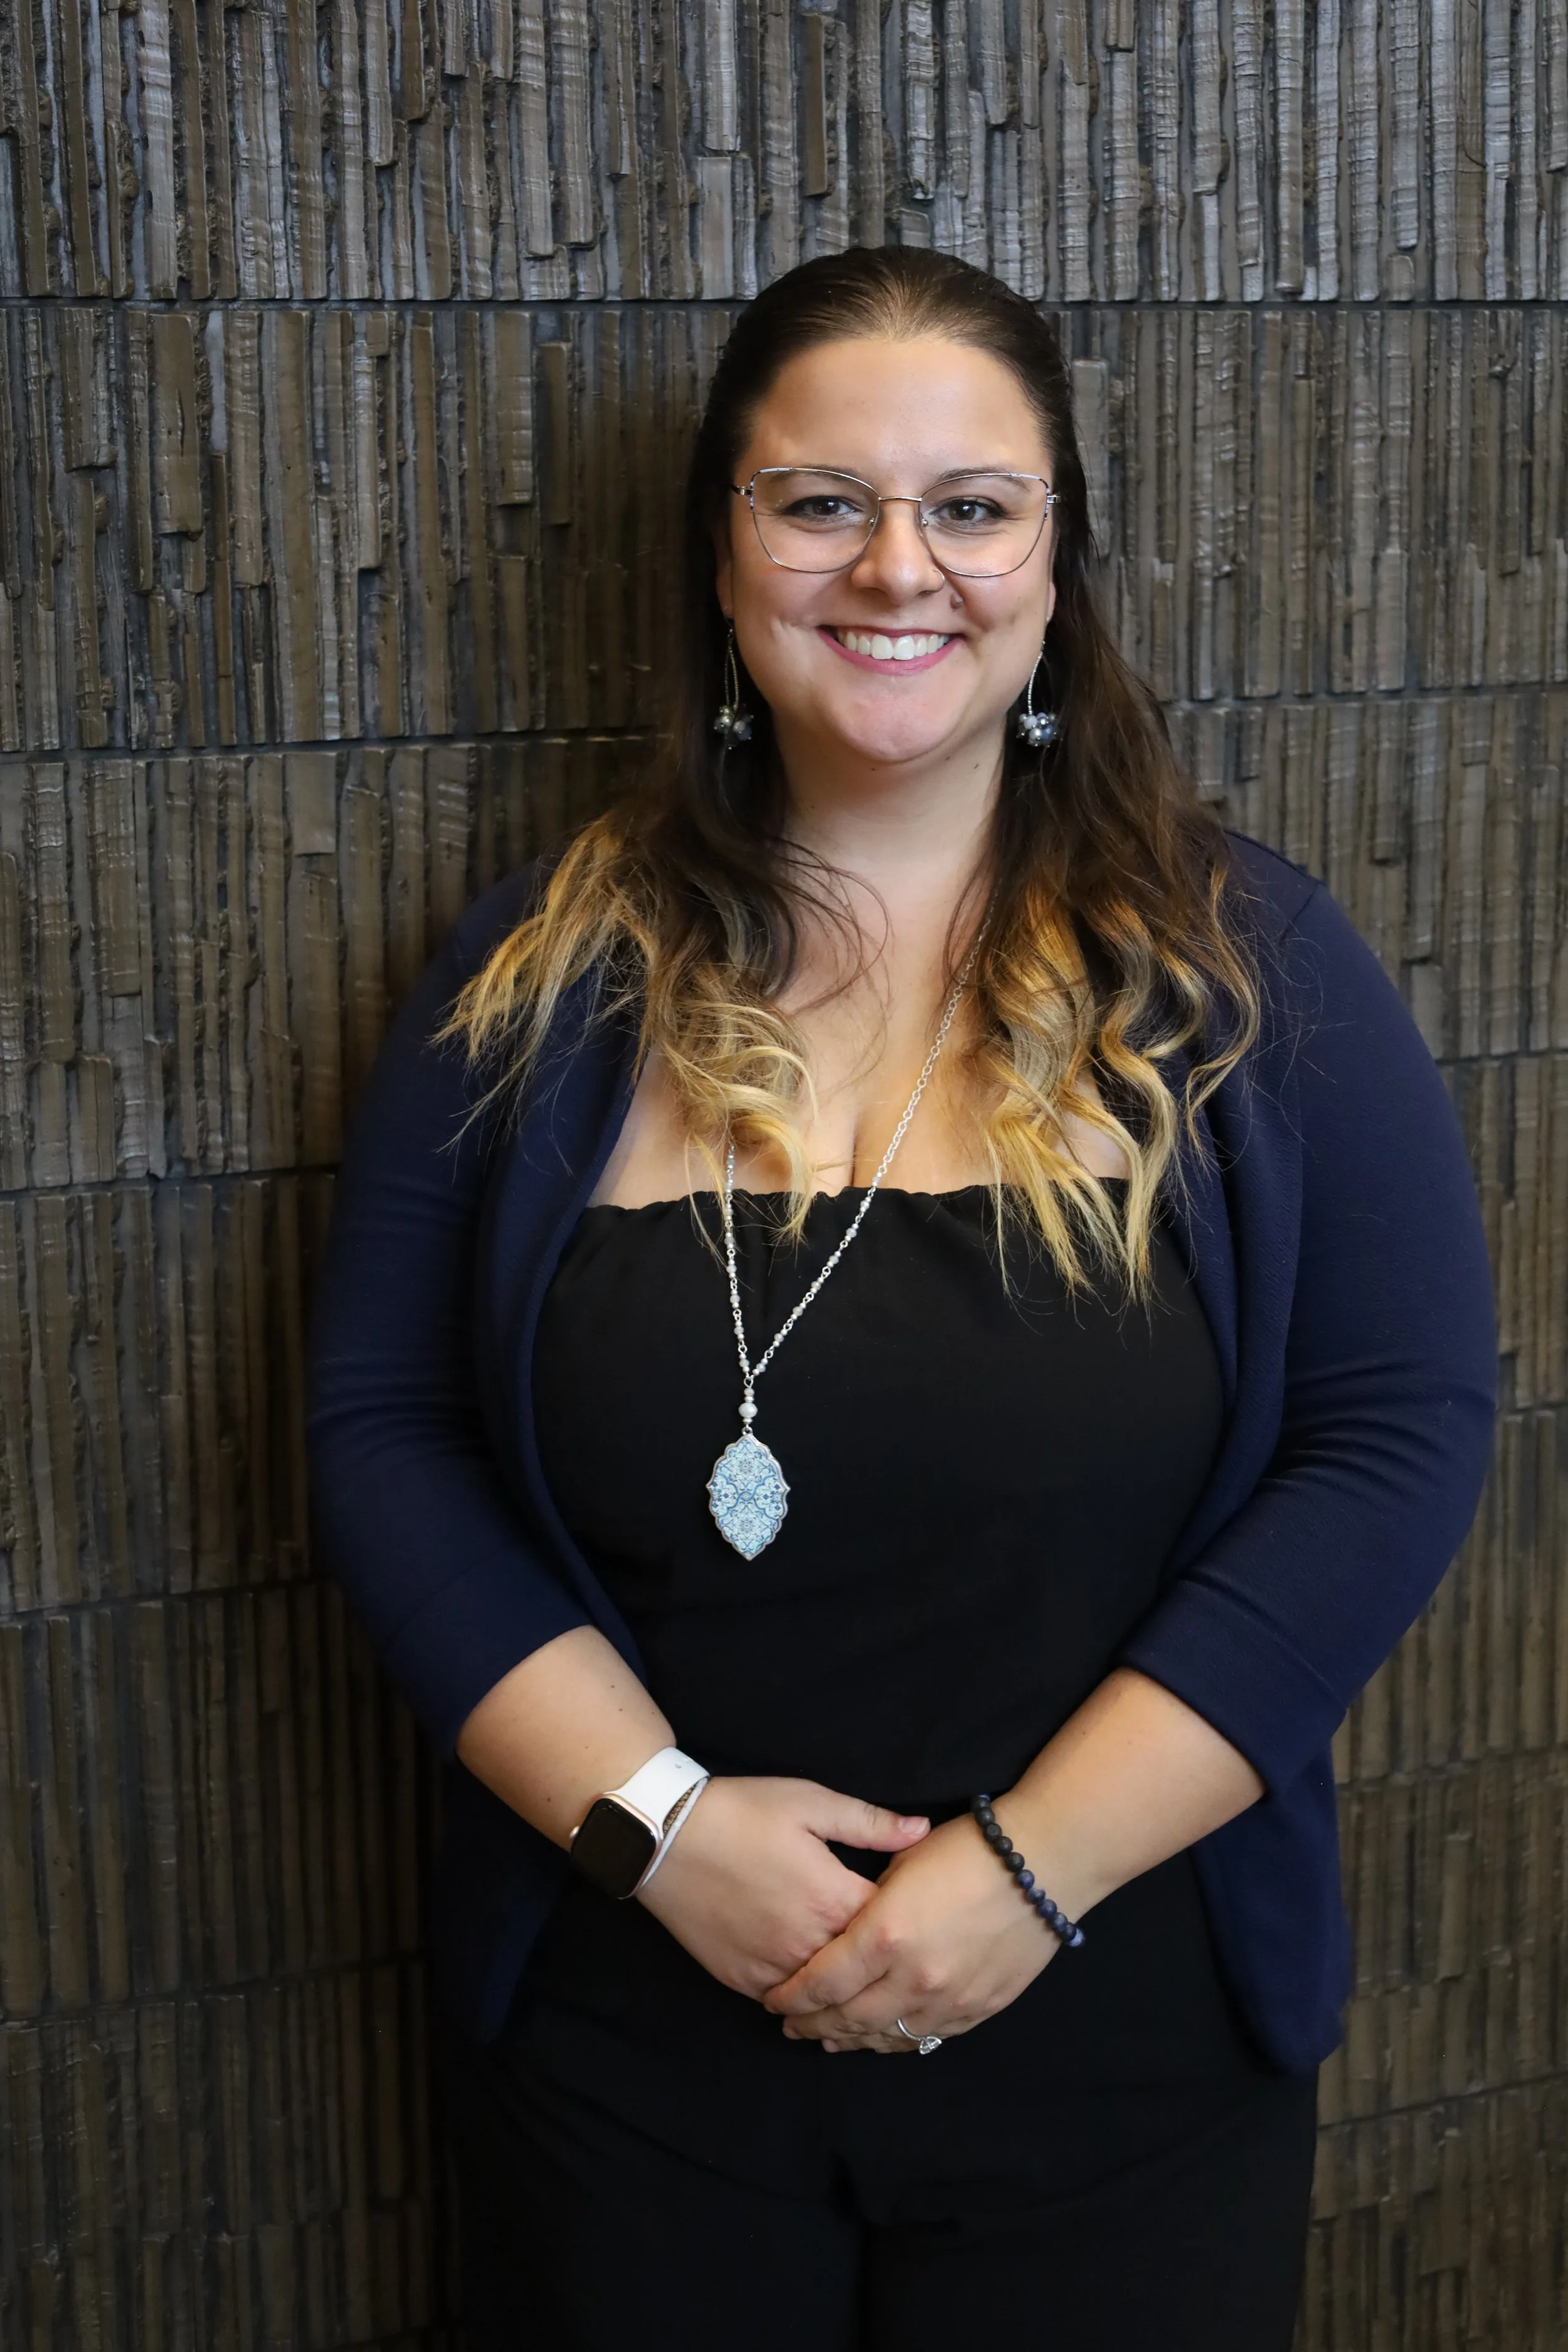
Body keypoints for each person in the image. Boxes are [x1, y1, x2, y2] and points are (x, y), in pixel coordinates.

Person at [305, 246, 1497, 2350]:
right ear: (722, 551)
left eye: (971, 504)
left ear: (1053, 565)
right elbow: (381, 1431)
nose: (897, 566)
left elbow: (1390, 1439)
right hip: (625, 2055)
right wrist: (657, 1832)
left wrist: (1028, 1874)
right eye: (818, 500)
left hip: (1124, 2034)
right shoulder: (530, 980)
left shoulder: (1252, 977)